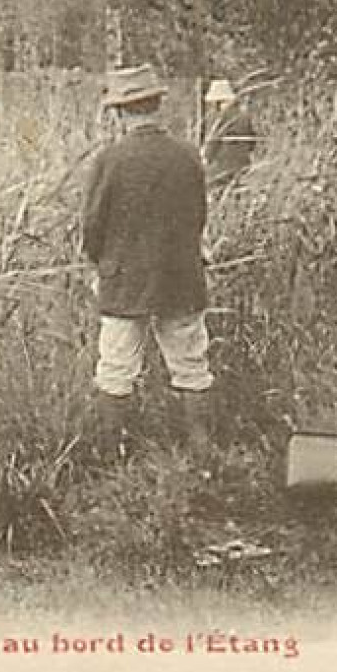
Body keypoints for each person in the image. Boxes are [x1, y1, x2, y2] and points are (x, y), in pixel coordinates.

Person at [81, 64, 213, 460]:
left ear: (121, 112)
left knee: (116, 369)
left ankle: (112, 457)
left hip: (123, 278)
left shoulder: (110, 159)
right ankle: (201, 454)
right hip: (180, 276)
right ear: (157, 105)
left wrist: (99, 264)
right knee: (192, 367)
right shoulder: (188, 156)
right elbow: (198, 217)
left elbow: (93, 225)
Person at [202, 78, 258, 188]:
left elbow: (213, 142)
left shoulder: (219, 118)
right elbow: (252, 142)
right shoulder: (244, 117)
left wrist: (205, 158)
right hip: (243, 165)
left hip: (222, 168)